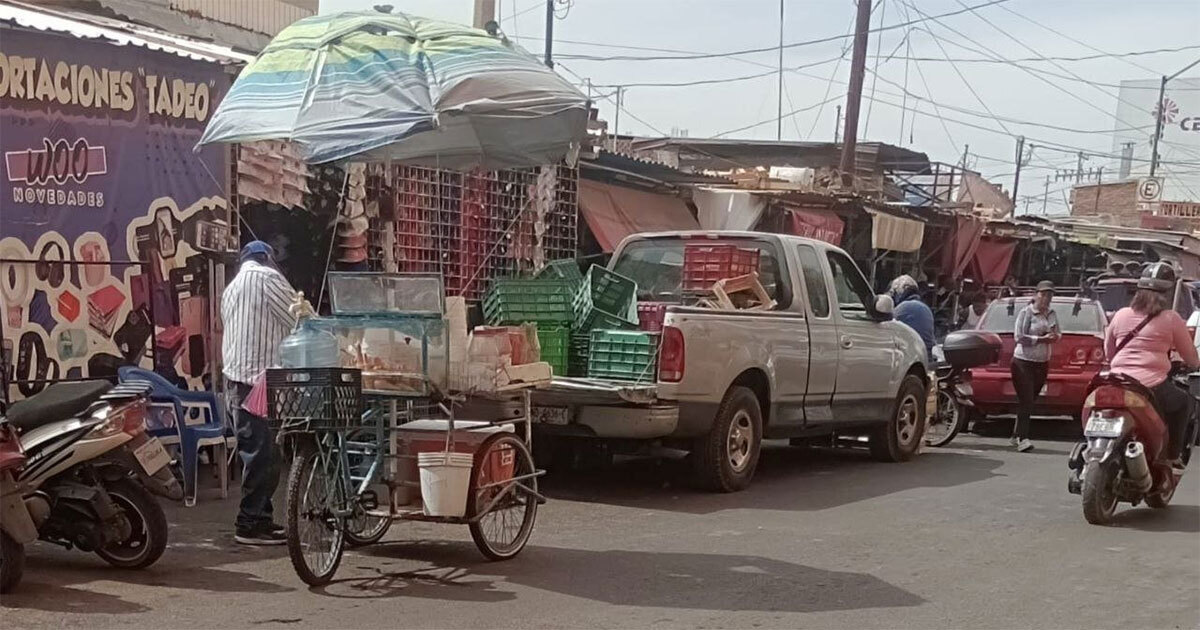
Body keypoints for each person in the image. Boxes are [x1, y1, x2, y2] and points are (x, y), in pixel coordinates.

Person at [221, 241, 298, 545]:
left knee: (255, 450)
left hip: (236, 379)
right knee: (263, 454)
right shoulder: (268, 279)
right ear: (267, 258)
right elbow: (300, 315)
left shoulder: (231, 288)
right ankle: (249, 522)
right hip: (259, 380)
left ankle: (260, 517)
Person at [1105, 263, 1200, 471]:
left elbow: (1109, 353)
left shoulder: (1120, 315)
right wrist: (1192, 364)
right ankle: (1173, 455)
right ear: (1166, 292)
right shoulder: (1171, 319)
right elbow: (1191, 358)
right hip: (1151, 384)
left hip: (1117, 380)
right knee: (1184, 402)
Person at [1010, 280, 1060, 452]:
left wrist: (1054, 337)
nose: (1046, 298)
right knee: (1026, 400)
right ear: (1036, 294)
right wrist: (1040, 339)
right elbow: (1019, 337)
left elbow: (1057, 332)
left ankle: (1016, 434)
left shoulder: (1052, 313)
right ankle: (1023, 438)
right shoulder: (1026, 312)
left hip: (1042, 362)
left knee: (1031, 398)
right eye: (1043, 294)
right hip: (1023, 361)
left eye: (1050, 295)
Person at [890, 275, 935, 360]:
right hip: (927, 356)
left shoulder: (902, 308)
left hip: (910, 357)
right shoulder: (926, 308)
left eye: (893, 293)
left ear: (898, 292)